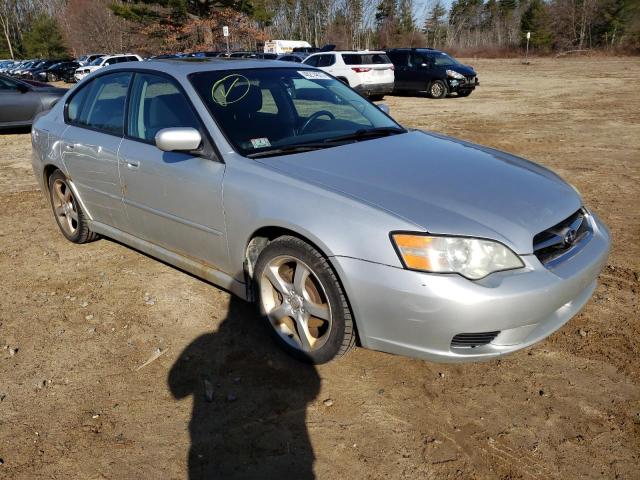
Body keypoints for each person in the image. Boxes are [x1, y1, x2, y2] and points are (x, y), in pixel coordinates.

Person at [168, 296, 320, 479]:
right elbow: (313, 390)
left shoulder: (206, 342)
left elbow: (177, 389)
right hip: (293, 457)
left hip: (217, 458)